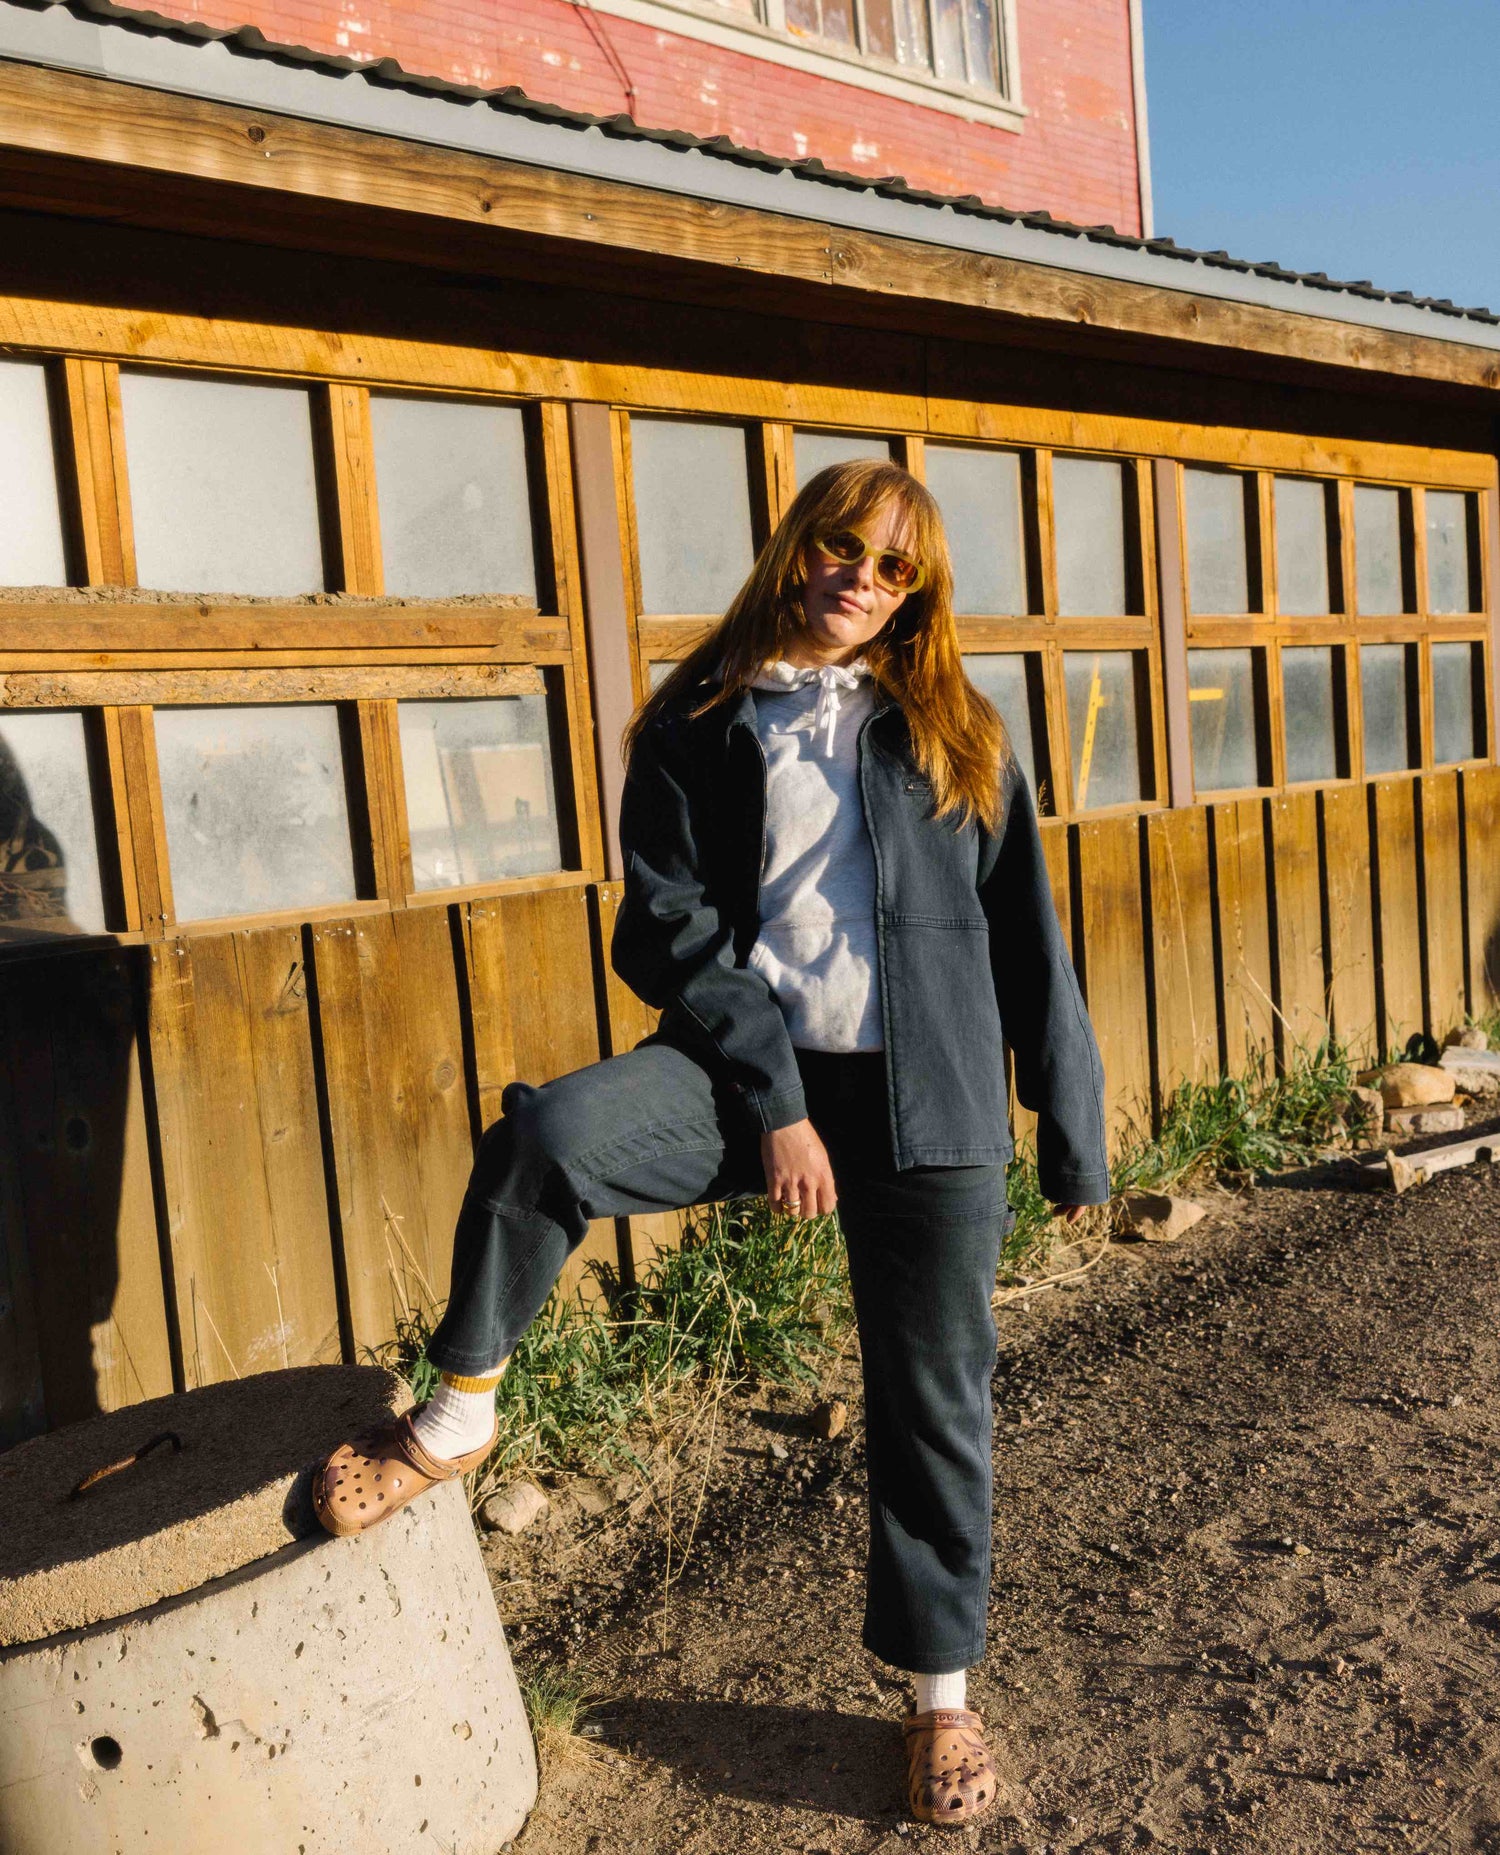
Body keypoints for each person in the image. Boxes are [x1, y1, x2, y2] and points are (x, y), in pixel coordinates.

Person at [314, 458, 1109, 1827]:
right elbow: (666, 927)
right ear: (798, 548)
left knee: (936, 1402)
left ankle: (939, 1703)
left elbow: (1028, 934)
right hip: (752, 1081)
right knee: (551, 1140)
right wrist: (779, 1104)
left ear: (919, 594)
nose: (862, 577)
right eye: (844, 546)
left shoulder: (955, 728)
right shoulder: (696, 718)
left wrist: (1071, 1130)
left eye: (895, 566)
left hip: (933, 1105)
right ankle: (458, 1417)